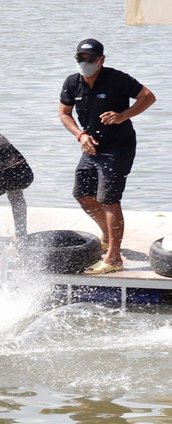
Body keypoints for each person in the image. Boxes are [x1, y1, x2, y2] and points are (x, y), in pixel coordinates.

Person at [58, 37, 157, 275]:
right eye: (80, 58)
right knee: (82, 194)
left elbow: (148, 97)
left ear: (101, 59)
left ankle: (114, 257)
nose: (84, 63)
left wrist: (123, 115)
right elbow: (64, 113)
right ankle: (107, 235)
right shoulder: (72, 82)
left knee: (109, 199)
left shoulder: (116, 79)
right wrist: (80, 136)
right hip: (91, 146)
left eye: (90, 59)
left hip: (118, 147)